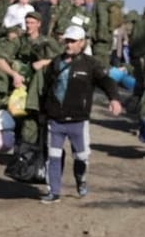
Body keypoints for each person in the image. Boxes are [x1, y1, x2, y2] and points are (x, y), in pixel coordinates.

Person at [38, 25, 123, 202]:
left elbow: (106, 81)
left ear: (82, 43)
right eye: (67, 41)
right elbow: (46, 89)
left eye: (73, 41)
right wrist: (43, 112)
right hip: (56, 120)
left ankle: (81, 180)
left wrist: (114, 99)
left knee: (81, 157)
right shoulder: (56, 62)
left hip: (78, 120)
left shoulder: (90, 64)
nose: (69, 44)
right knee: (53, 156)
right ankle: (54, 191)